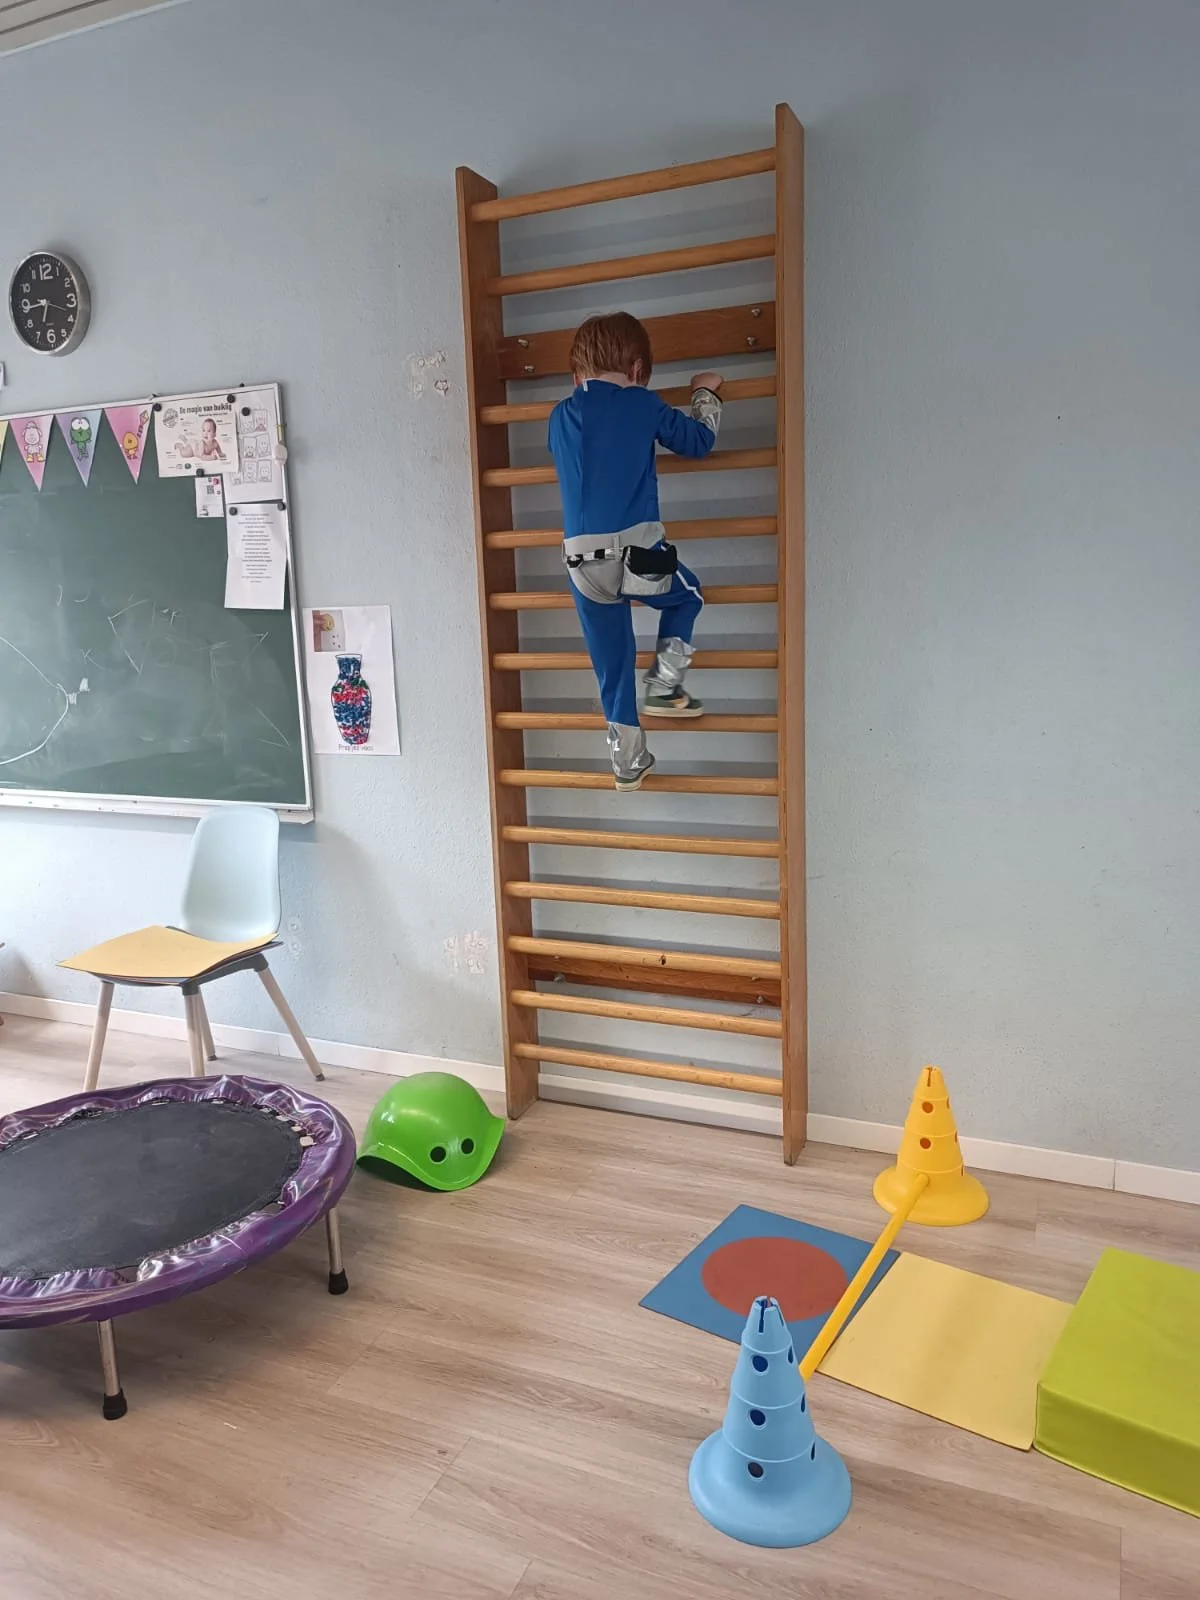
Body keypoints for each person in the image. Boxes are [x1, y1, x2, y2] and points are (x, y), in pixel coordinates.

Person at [548, 311, 723, 791]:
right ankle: (666, 685)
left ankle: (627, 762)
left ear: (576, 375)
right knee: (687, 597)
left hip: (581, 565)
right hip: (639, 554)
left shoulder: (559, 416)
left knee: (612, 663)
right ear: (639, 369)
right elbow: (698, 442)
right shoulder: (642, 404)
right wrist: (705, 392)